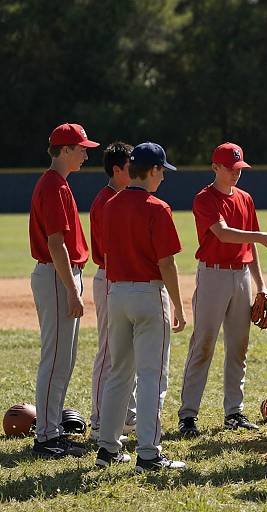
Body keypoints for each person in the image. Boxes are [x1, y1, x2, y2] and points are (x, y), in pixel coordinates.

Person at [95, 142, 187, 472]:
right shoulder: (157, 207)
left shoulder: (111, 205)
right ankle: (148, 453)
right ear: (151, 171)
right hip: (148, 295)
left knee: (118, 373)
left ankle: (107, 449)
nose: (163, 177)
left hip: (116, 293)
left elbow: (106, 254)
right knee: (151, 377)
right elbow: (166, 263)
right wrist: (178, 305)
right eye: (162, 170)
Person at [178, 142, 267, 437]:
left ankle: (234, 412)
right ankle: (188, 415)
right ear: (215, 167)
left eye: (239, 168)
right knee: (203, 344)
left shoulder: (245, 199)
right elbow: (223, 233)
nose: (235, 174)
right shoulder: (205, 199)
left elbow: (251, 246)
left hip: (242, 276)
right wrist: (261, 235)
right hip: (213, 276)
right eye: (230, 169)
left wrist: (261, 285)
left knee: (238, 346)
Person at [29, 123, 99, 458]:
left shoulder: (58, 184)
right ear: (66, 150)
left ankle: (52, 429)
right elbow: (55, 244)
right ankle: (45, 438)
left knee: (64, 359)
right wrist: (72, 290)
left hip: (61, 275)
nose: (86, 154)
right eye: (82, 148)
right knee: (56, 359)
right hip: (58, 276)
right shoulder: (54, 185)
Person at [89, 142, 137, 442]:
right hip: (110, 277)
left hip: (122, 278)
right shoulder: (105, 201)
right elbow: (109, 251)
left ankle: (126, 416)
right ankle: (98, 421)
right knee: (109, 351)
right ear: (117, 170)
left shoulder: (122, 198)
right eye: (130, 168)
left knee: (126, 352)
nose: (136, 172)